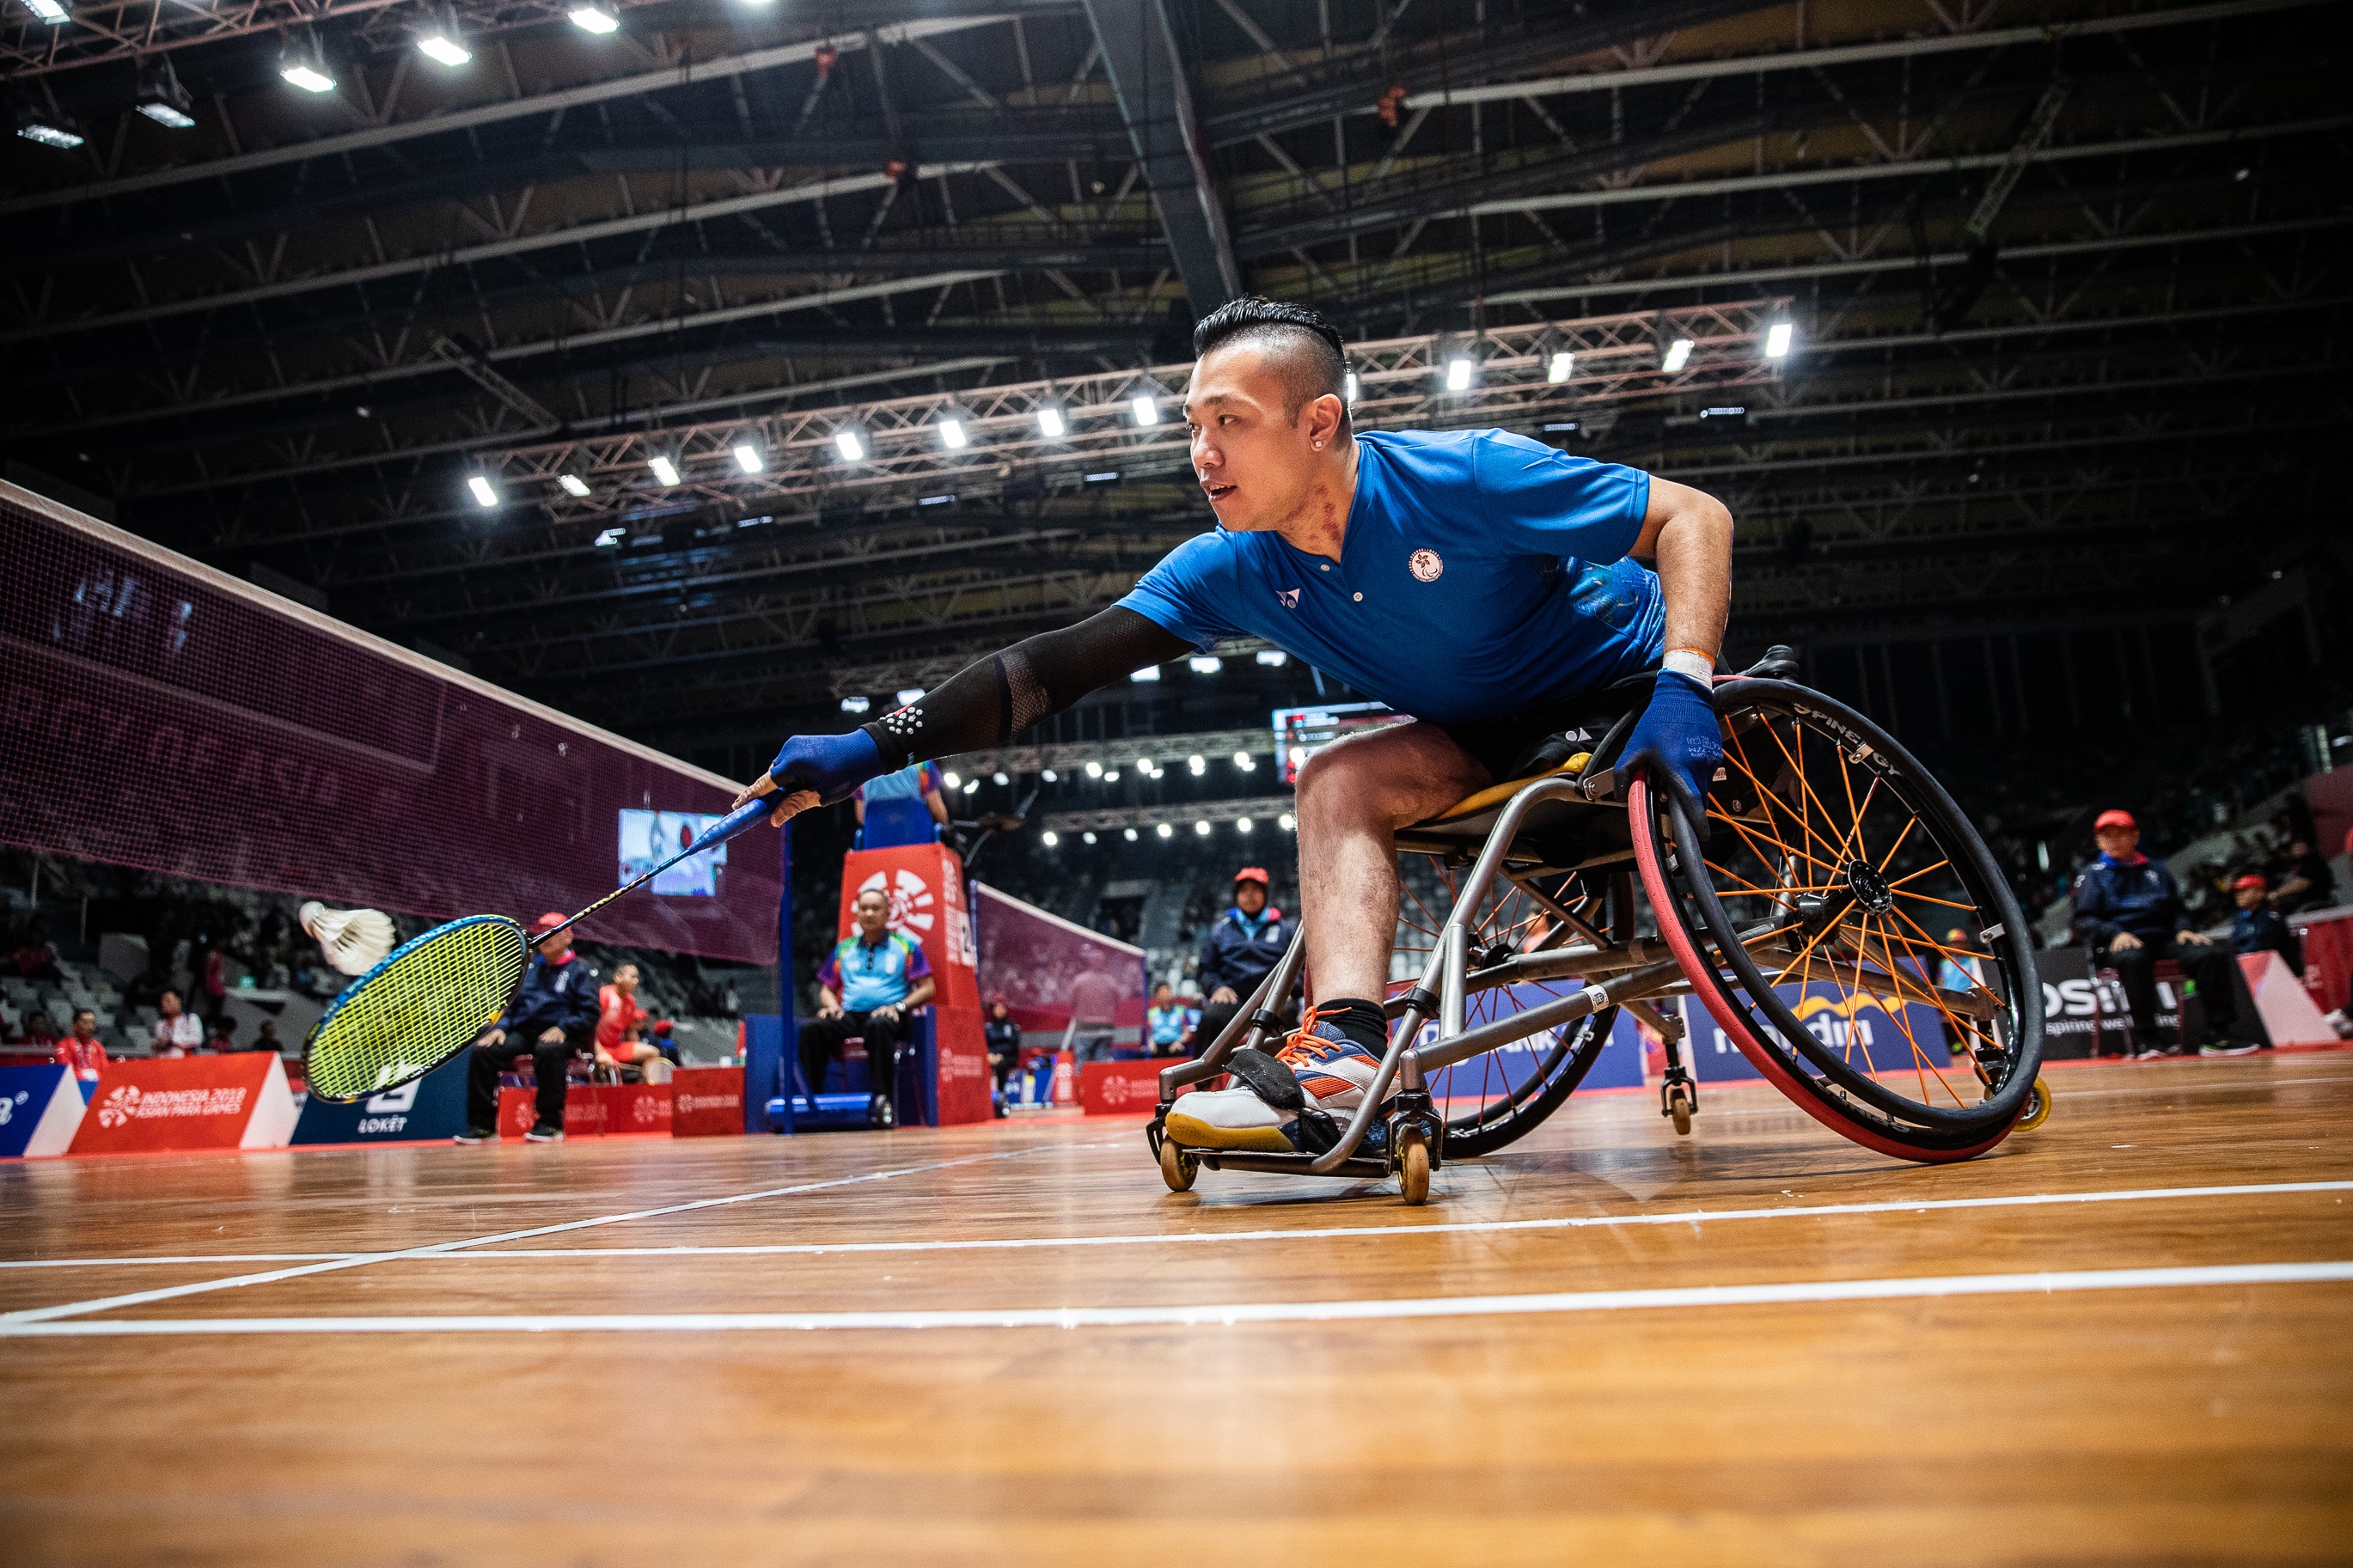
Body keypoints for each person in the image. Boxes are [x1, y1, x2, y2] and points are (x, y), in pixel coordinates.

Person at [734, 295, 1731, 1157]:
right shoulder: (1233, 563)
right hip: (1488, 728)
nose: (1200, 452)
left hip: (1621, 687)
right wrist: (863, 751)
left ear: (1315, 422)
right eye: (1191, 423)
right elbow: (1046, 672)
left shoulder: (1463, 477)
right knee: (1335, 777)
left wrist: (1684, 682)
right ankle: (1343, 1047)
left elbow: (1696, 519)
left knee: (1541, 746)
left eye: (1229, 421)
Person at [2070, 809, 2245, 1059]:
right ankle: (2148, 1039)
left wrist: (2184, 929)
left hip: (2162, 938)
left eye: (2120, 834)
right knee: (2134, 959)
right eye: (2107, 836)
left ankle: (2219, 1035)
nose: (2113, 840)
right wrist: (2115, 932)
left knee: (2208, 954)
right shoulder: (2092, 875)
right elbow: (2084, 920)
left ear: (2135, 836)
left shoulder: (2156, 870)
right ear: (2099, 842)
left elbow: (2177, 909)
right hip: (2119, 942)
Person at [455, 913, 601, 1144]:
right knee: (485, 1050)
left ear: (568, 937)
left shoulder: (580, 970)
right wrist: (500, 1027)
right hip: (525, 1032)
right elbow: (510, 1007)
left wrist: (563, 1028)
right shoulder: (528, 969)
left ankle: (550, 1123)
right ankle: (482, 1126)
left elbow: (589, 1013)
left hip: (565, 1034)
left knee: (548, 1049)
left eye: (552, 931)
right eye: (541, 931)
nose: (545, 937)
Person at [803, 887, 935, 1121]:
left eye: (876, 908)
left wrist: (899, 1007)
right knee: (813, 1030)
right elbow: (827, 989)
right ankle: (811, 1103)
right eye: (864, 908)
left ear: (888, 913)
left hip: (891, 1017)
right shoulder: (844, 949)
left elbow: (928, 988)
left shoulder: (906, 946)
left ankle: (880, 1102)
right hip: (851, 1016)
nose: (869, 913)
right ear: (857, 914)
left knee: (878, 1026)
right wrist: (832, 1006)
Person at [1194, 869, 1293, 1056]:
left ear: (1265, 894)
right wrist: (1216, 987)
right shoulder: (1220, 930)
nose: (1250, 895)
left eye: (1255, 890)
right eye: (1244, 890)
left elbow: (1300, 968)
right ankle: (1198, 1082)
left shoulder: (1284, 929)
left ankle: (1293, 1074)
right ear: (1236, 895)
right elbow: (1206, 969)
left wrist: (1287, 988)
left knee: (1287, 1013)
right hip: (1233, 996)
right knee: (1211, 1017)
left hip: (1273, 995)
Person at [593, 961, 669, 1083]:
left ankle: (644, 1094)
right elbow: (589, 1028)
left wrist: (638, 1049)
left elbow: (630, 1030)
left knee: (653, 1053)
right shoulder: (604, 995)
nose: (636, 981)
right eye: (632, 977)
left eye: (637, 977)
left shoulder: (630, 1001)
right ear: (618, 977)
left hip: (616, 1047)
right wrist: (600, 1053)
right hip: (597, 1048)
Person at [853, 760, 950, 850]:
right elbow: (937, 810)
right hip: (919, 843)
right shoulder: (923, 764)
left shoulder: (863, 766)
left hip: (876, 845)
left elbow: (861, 817)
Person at [2230, 874, 2301, 977]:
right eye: (2237, 892)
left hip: (2280, 973)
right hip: (2255, 971)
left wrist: (2239, 958)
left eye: (2244, 891)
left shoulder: (2271, 915)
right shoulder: (2240, 917)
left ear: (2260, 893)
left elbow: (2260, 946)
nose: (2238, 895)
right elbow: (2235, 943)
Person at [2269, 838, 2339, 917]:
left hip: (2315, 902)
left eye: (2301, 846)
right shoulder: (2293, 864)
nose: (2298, 849)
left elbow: (2301, 885)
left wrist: (2276, 893)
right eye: (2295, 847)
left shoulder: (2312, 861)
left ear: (2308, 847)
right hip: (2299, 901)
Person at [983, 998, 1023, 1113]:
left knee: (1001, 1066)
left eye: (1002, 1007)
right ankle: (987, 1098)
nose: (1000, 1010)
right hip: (991, 1057)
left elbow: (1012, 1045)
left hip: (1008, 1058)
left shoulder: (1011, 1026)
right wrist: (991, 1055)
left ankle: (1001, 1098)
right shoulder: (988, 1027)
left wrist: (999, 1054)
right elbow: (985, 1044)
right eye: (997, 1008)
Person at [56, 1008, 107, 1087]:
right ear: (74, 1025)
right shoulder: (65, 1045)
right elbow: (66, 1072)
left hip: (97, 1088)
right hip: (73, 1088)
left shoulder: (98, 1046)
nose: (90, 1027)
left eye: (92, 1023)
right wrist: (91, 1075)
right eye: (85, 1023)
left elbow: (106, 1072)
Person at [1146, 981, 1198, 1057]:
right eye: (1163, 993)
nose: (1166, 995)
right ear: (1157, 996)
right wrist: (1150, 1042)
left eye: (1168, 991)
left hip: (1175, 1045)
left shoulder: (1181, 1010)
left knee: (1179, 1051)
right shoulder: (1151, 1013)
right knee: (1143, 1054)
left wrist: (1179, 1041)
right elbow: (1147, 1033)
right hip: (1157, 1046)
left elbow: (1188, 1031)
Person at [150, 989, 203, 1056]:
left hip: (185, 1061)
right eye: (162, 1001)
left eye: (168, 1001)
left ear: (178, 1000)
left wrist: (171, 1041)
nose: (164, 1004)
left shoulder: (191, 1018)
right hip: (165, 1062)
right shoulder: (160, 1023)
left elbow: (196, 1039)